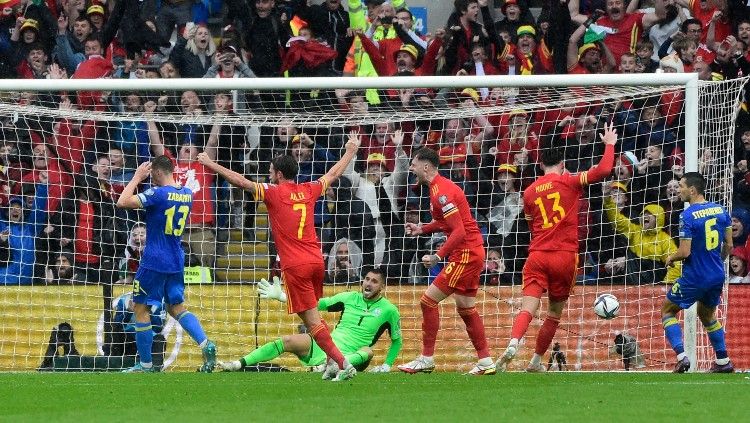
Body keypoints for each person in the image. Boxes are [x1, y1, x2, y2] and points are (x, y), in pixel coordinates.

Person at [197, 132, 362, 382]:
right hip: (316, 260)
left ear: (279, 175)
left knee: (311, 321)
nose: (269, 174)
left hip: (295, 265)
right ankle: (330, 361)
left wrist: (210, 164)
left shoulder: (273, 192)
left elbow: (240, 181)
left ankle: (342, 363)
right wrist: (350, 150)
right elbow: (333, 174)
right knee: (314, 317)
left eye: (271, 171)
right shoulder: (308, 189)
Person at [497, 122, 617, 372]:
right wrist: (609, 145)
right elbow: (605, 169)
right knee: (553, 313)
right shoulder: (571, 181)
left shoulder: (529, 192)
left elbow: (530, 226)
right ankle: (536, 361)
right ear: (562, 164)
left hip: (538, 254)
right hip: (565, 256)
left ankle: (513, 342)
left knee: (527, 307)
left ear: (540, 165)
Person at [397, 147, 494, 376]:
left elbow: (459, 231)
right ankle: (486, 361)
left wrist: (437, 256)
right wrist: (422, 228)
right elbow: (446, 224)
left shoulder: (441, 192)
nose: (411, 168)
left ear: (426, 166)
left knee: (427, 301)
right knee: (466, 308)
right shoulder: (436, 190)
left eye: (414, 164)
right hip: (471, 251)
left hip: (466, 253)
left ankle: (427, 358)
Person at [116, 156, 217, 373]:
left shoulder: (157, 194)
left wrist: (136, 177)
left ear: (158, 172)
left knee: (139, 308)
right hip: (176, 260)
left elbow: (122, 202)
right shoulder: (187, 194)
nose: (151, 178)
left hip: (154, 259)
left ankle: (146, 365)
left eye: (152, 174)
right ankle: (206, 344)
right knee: (176, 307)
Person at [217, 268, 401, 373]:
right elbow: (314, 304)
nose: (368, 283)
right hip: (329, 347)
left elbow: (396, 340)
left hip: (354, 357)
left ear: (382, 286)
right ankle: (237, 364)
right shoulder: (349, 298)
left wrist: (387, 365)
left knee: (368, 351)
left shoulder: (389, 310)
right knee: (288, 340)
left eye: (374, 281)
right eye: (366, 279)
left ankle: (333, 366)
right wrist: (281, 296)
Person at [662, 172, 734, 373]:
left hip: (695, 276)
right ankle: (723, 361)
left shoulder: (686, 215)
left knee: (667, 311)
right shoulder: (721, 210)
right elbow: (729, 244)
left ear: (692, 190)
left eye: (682, 186)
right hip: (716, 275)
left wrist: (671, 258)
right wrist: (717, 262)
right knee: (707, 315)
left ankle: (682, 357)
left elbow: (685, 252)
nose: (678, 190)